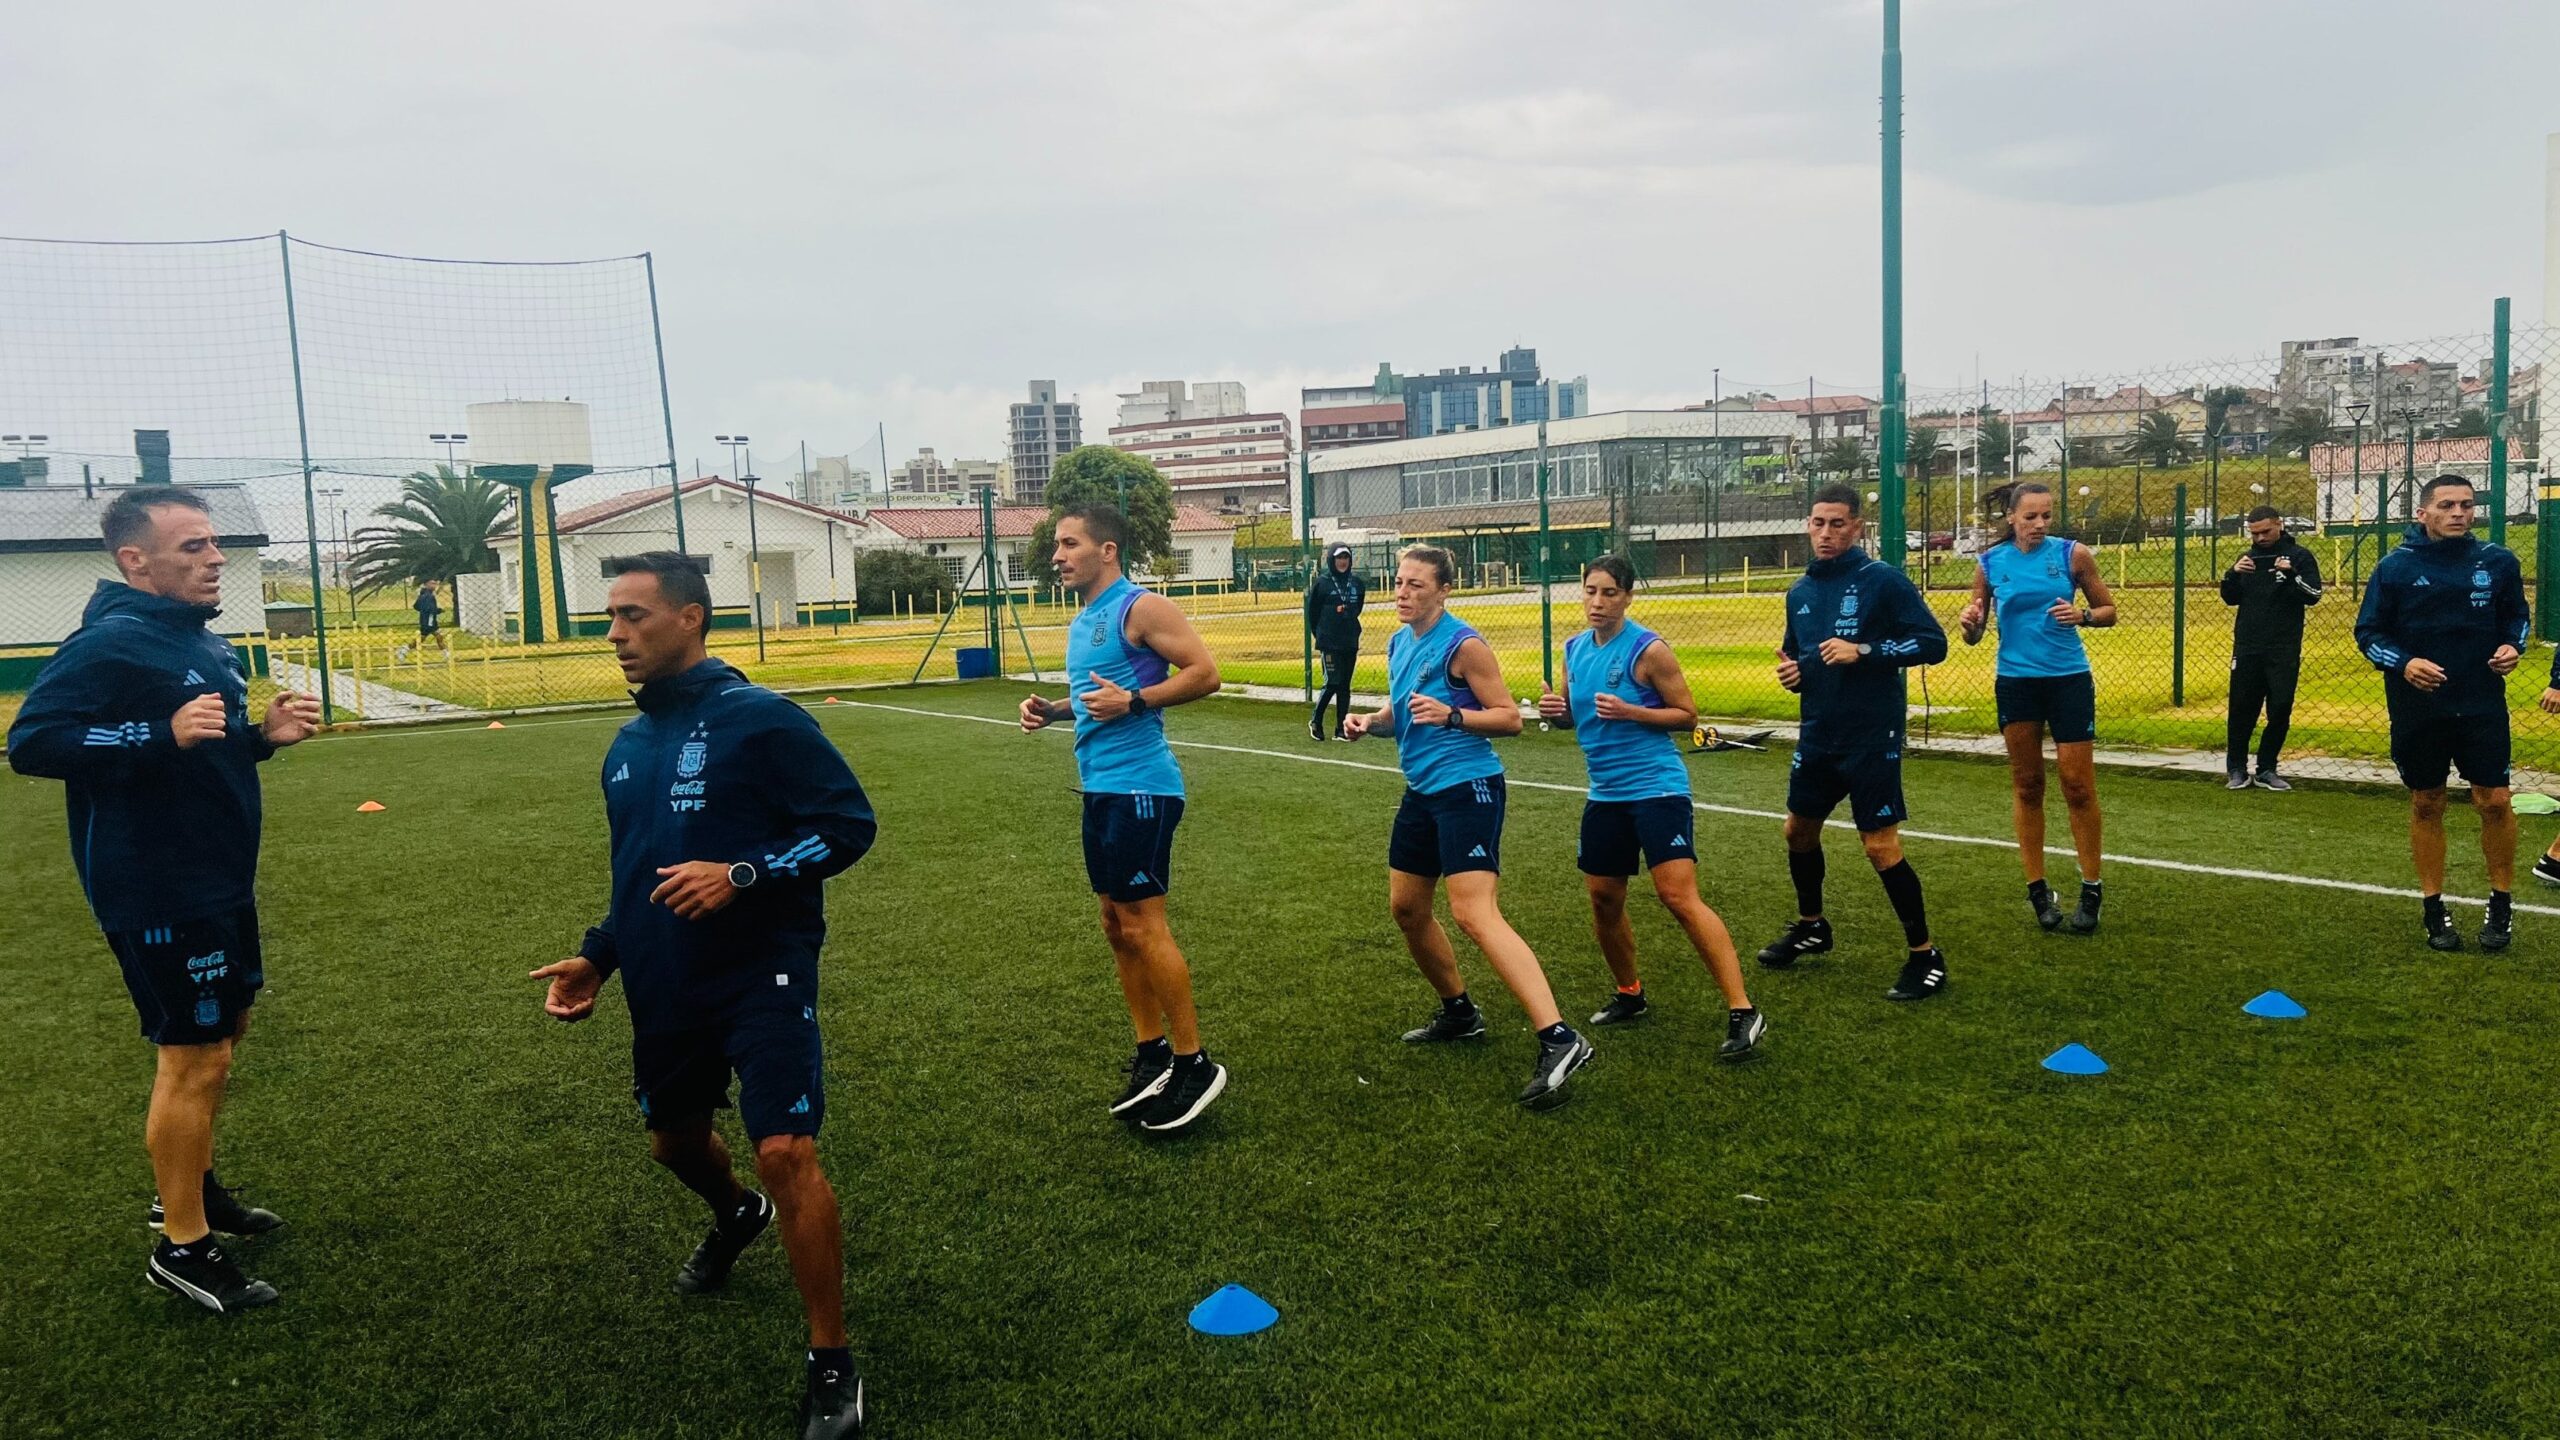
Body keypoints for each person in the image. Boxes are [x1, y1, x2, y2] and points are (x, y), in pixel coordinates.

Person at [530, 552, 877, 1439]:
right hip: (664, 978)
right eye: (610, 617)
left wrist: (743, 873)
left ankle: (831, 1363)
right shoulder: (628, 745)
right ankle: (734, 1213)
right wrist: (598, 957)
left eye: (633, 615)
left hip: (762, 970)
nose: (615, 634)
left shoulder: (763, 719)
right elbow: (634, 874)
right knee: (673, 1144)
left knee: (785, 1150)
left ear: (690, 618)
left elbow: (847, 826)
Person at [7, 485, 322, 1314]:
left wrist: (261, 739)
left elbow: (202, 750)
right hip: (156, 886)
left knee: (226, 1031)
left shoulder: (199, 641)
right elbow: (31, 742)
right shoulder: (110, 643)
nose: (215, 558)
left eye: (214, 543)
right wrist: (156, 732)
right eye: (193, 547)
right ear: (135, 561)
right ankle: (181, 1248)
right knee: (194, 1054)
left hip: (217, 877)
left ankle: (191, 1187)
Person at [1344, 545, 1594, 1110]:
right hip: (1422, 791)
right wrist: (1370, 722)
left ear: (1443, 590)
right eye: (1399, 582)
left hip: (1469, 788)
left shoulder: (1465, 645)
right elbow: (1402, 714)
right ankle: (1459, 1012)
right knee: (1407, 909)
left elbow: (1509, 718)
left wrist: (1454, 715)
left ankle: (1559, 1037)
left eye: (1415, 585)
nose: (1402, 593)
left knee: (1473, 912)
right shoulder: (1399, 642)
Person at [1018, 505, 1229, 1134]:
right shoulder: (1084, 618)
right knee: (1115, 923)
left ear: (1106, 550)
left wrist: (1135, 699)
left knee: (1142, 924)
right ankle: (1152, 1052)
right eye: (1057, 545)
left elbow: (1206, 674)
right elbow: (1100, 700)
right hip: (1101, 788)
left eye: (1069, 544)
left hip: (1142, 787)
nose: (1057, 556)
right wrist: (1055, 710)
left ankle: (1194, 1063)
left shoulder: (1142, 607)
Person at [1536, 556, 1764, 1056]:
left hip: (1658, 789)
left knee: (1677, 896)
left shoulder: (1649, 649)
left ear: (1628, 597)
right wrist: (1558, 712)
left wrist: (1632, 711)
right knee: (1604, 899)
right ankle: (1630, 993)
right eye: (1591, 591)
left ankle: (1743, 1009)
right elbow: (1573, 717)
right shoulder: (1573, 649)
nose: (1598, 602)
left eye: (1609, 593)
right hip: (1605, 794)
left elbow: (1687, 716)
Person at [1758, 485, 1954, 1001]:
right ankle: (1812, 926)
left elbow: (1933, 643)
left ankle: (1925, 956)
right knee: (1798, 831)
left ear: (1857, 527)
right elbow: (1800, 656)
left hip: (1871, 735)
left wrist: (1864, 650)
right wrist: (1794, 674)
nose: (1826, 533)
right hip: (1819, 733)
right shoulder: (1800, 592)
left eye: (1837, 524)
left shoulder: (1882, 581)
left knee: (1879, 845)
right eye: (1818, 523)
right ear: (1808, 525)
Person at [2353, 475, 2529, 952]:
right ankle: (2434, 905)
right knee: (2427, 802)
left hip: (2481, 703)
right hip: (2418, 708)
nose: (2459, 513)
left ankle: (2501, 902)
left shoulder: (2497, 561)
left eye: (2467, 505)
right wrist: (2404, 663)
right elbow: (2369, 633)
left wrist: (2513, 647)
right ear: (2423, 513)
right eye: (2447, 505)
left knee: (2495, 801)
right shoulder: (2395, 567)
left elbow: (2517, 618)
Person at [1958, 481, 2119, 934]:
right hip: (2016, 682)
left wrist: (2082, 616)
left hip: (2068, 679)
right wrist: (1969, 624)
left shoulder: (2073, 555)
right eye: (2030, 516)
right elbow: (1974, 632)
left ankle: (2091, 888)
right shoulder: (1990, 563)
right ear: (2011, 517)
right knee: (2028, 785)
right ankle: (2037, 888)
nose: (2040, 524)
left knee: (2077, 785)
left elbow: (2108, 610)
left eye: (2046, 515)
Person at [2219, 507, 2323, 790]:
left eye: (2266, 531)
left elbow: (2313, 595)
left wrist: (2290, 575)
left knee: (2280, 708)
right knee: (2241, 710)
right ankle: (2236, 769)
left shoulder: (2299, 556)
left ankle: (2267, 768)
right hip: (2247, 646)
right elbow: (2230, 597)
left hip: (2283, 647)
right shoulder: (2247, 558)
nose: (2260, 538)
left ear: (2280, 525)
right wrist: (2232, 574)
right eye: (2254, 533)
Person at [1305, 543, 1366, 741]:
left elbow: (1358, 607)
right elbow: (1312, 613)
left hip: (1349, 640)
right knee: (1332, 682)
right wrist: (1321, 634)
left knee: (1344, 685)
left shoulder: (1356, 583)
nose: (1342, 561)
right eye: (1339, 558)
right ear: (1332, 559)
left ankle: (1341, 728)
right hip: (1329, 642)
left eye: (1346, 558)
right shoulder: (1322, 583)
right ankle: (1316, 721)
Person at [415, 579, 445, 649]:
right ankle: (405, 649)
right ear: (426, 585)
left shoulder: (422, 595)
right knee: (436, 636)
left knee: (438, 636)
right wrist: (439, 610)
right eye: (432, 584)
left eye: (435, 584)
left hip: (427, 619)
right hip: (429, 620)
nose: (434, 585)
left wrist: (423, 611)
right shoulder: (429, 596)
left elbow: (416, 606)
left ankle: (446, 652)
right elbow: (431, 609)